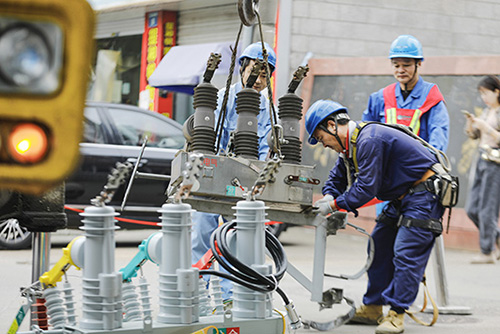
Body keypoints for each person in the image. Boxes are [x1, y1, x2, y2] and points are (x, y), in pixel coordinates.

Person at [306, 99, 448, 334]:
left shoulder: (369, 139)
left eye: (322, 139)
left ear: (332, 125)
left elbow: (366, 188)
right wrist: (329, 195)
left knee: (406, 253)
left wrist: (333, 205)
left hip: (425, 195)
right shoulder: (350, 146)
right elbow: (336, 178)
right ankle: (373, 307)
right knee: (379, 244)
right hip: (403, 196)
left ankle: (396, 313)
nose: (325, 145)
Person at [191, 41, 276, 300]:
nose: (260, 79)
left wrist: (258, 184)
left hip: (242, 183)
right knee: (201, 238)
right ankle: (198, 295)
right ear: (241, 68)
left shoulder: (266, 108)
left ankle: (231, 300)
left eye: (266, 74)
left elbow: (263, 147)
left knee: (236, 241)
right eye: (256, 71)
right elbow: (206, 138)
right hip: (211, 177)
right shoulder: (221, 97)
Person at [362, 34, 449, 216]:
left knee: (412, 236)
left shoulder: (432, 98)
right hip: (387, 182)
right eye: (396, 65)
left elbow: (438, 139)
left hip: (419, 185)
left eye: (407, 64)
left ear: (419, 64)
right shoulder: (380, 98)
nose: (401, 69)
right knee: (383, 237)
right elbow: (364, 134)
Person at [464, 75, 500, 264]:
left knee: (488, 209)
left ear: (497, 92)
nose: (484, 98)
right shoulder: (486, 112)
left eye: (486, 93)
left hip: (495, 163)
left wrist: (486, 127)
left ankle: (487, 252)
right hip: (481, 160)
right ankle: (497, 238)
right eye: (481, 94)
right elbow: (474, 136)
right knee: (472, 209)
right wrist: (471, 125)